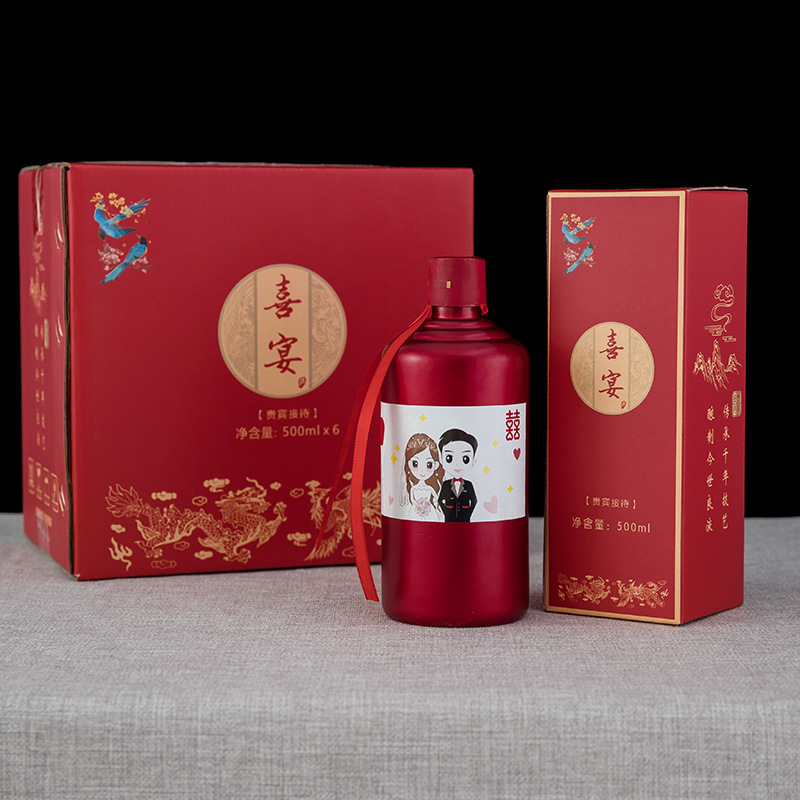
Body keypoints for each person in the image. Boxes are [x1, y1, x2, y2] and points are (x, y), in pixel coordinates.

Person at [437, 428, 478, 522]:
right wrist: (446, 512)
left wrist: (468, 513)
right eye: (449, 458)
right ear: (441, 460)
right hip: (449, 518)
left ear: (473, 460)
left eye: (465, 459)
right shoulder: (446, 484)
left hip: (465, 518)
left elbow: (474, 500)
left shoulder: (468, 484)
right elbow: (440, 499)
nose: (457, 465)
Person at [401, 433, 445, 521]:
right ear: (409, 464)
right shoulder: (414, 488)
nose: (422, 471)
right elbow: (412, 499)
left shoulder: (429, 488)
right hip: (416, 510)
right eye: (415, 464)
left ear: (435, 465)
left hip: (429, 510)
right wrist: (418, 505)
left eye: (429, 465)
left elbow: (437, 497)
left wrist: (435, 503)